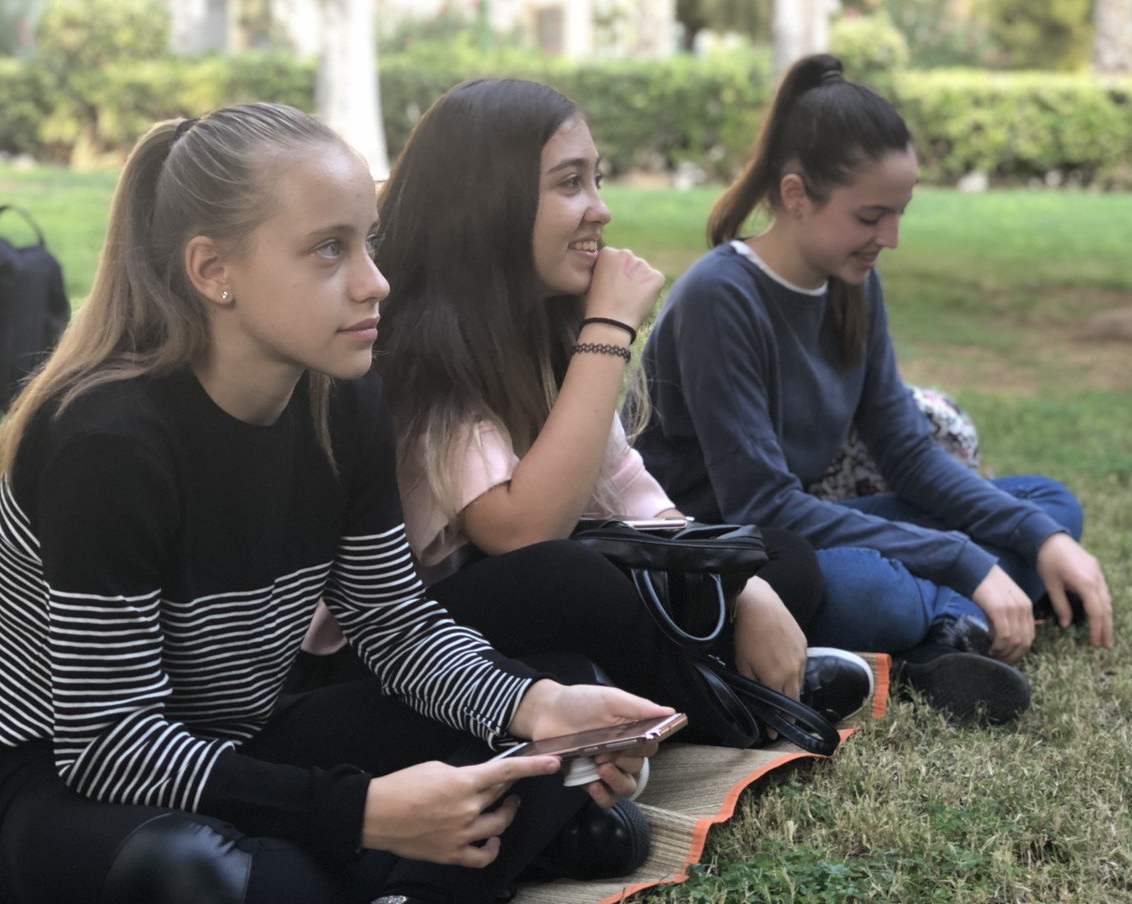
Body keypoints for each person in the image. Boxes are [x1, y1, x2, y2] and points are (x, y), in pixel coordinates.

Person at [0, 103, 676, 904]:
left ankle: (403, 867)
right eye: (330, 249)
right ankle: (424, 863)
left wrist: (541, 706)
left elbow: (395, 627)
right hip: (55, 788)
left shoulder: (343, 400)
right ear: (212, 271)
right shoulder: (107, 443)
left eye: (369, 242)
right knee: (195, 872)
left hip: (241, 744)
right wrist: (359, 813)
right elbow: (106, 744)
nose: (375, 282)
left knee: (555, 701)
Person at [302, 77, 874, 735]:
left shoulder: (540, 330)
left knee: (778, 557)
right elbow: (520, 532)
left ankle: (643, 694)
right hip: (395, 655)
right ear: (489, 202)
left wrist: (744, 584)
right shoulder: (417, 352)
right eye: (570, 183)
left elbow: (631, 494)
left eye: (596, 181)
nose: (600, 209)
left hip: (503, 623)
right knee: (566, 576)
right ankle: (727, 706)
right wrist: (607, 331)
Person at [635, 54, 1114, 724]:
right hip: (738, 562)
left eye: (899, 214)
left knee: (1047, 507)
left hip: (804, 523)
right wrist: (964, 561)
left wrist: (1037, 536)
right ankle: (957, 618)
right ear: (796, 194)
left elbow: (909, 456)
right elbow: (763, 506)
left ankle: (945, 632)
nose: (889, 238)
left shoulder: (852, 282)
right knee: (874, 593)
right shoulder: (719, 297)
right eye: (870, 216)